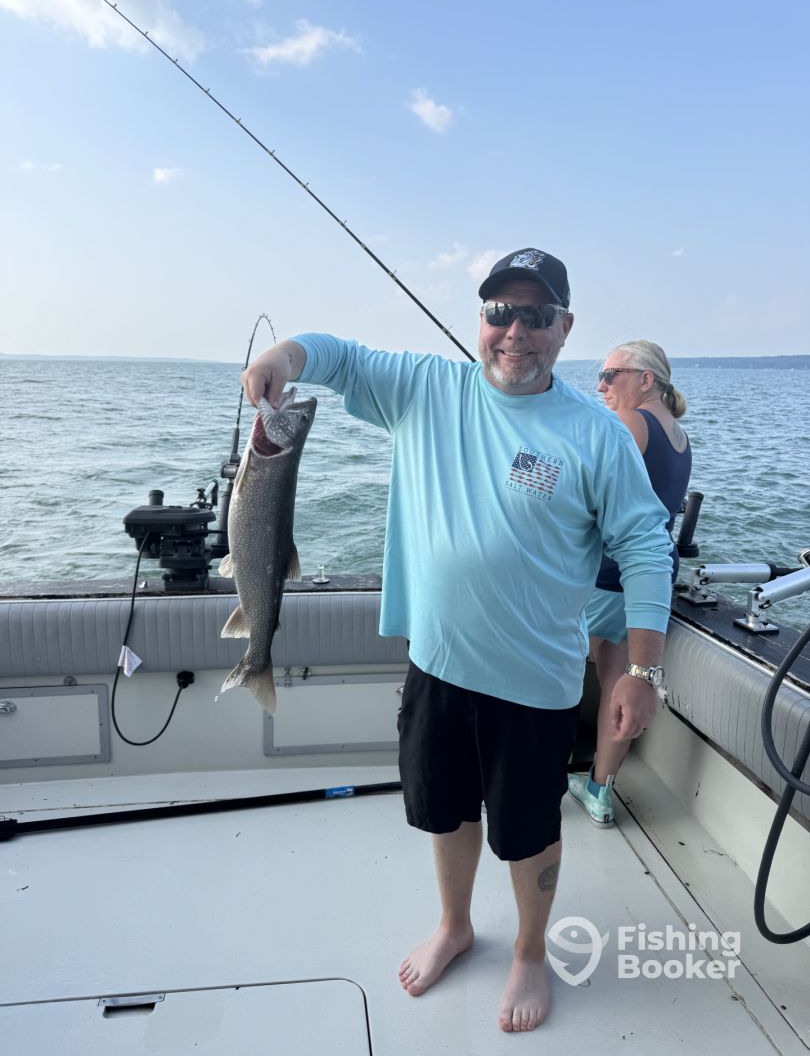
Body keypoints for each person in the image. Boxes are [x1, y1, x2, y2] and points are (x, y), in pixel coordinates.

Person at [241, 249, 674, 1033]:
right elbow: (339, 357)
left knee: (529, 832)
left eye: (536, 315)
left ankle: (531, 951)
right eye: (500, 312)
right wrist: (282, 358)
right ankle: (455, 926)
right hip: (437, 667)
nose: (516, 330)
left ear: (565, 327)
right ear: (480, 320)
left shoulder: (597, 436)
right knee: (443, 812)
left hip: (536, 684)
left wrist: (640, 671)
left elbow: (646, 548)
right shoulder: (427, 389)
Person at [568, 341, 691, 828]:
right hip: (648, 580)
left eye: (610, 374)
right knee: (617, 680)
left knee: (552, 672)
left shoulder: (631, 422)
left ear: (645, 379)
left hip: (606, 575)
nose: (600, 386)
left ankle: (534, 778)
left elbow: (578, 485)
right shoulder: (678, 435)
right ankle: (599, 790)